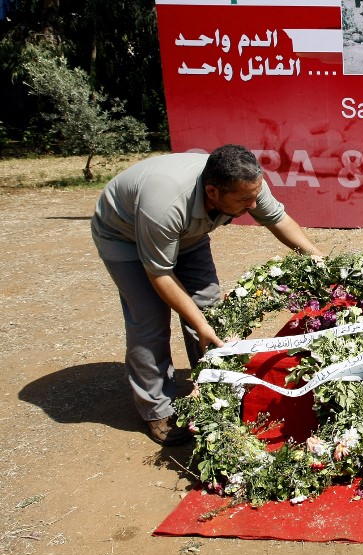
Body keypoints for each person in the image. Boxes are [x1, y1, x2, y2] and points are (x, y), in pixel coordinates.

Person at [91, 145, 322, 445]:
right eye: (243, 200)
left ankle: (217, 391)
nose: (253, 204)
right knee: (149, 321)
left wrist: (318, 257)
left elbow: (277, 219)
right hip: (126, 237)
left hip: (187, 235)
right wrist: (199, 325)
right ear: (213, 192)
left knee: (211, 311)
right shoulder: (165, 204)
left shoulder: (246, 183)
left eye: (255, 195)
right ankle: (157, 409)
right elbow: (160, 274)